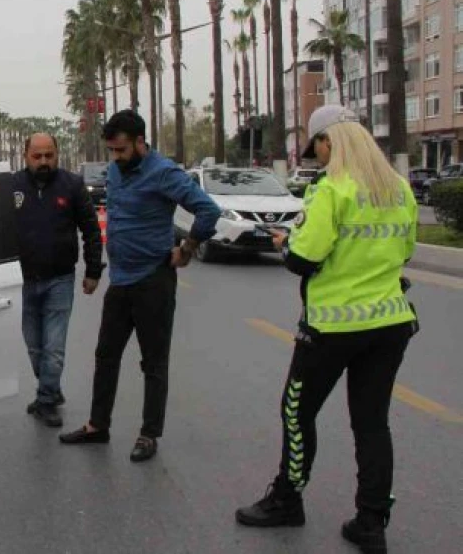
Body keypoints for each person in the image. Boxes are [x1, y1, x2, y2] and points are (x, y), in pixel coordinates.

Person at [235, 106, 419, 554]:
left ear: (328, 142)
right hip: (391, 324)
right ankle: (371, 522)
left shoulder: (330, 190)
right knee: (372, 423)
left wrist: (288, 243)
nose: (315, 156)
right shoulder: (398, 189)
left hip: (332, 328)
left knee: (296, 412)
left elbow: (304, 259)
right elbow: (406, 252)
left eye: (315, 147)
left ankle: (287, 499)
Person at [59, 109, 220, 462]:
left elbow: (208, 210)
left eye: (121, 150)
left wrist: (188, 248)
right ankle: (97, 426)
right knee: (105, 355)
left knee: (153, 362)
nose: (115, 158)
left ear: (140, 142)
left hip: (154, 281)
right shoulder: (116, 173)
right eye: (111, 151)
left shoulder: (164, 173)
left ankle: (149, 434)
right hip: (121, 281)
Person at [0, 132, 103, 427]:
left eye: (49, 155)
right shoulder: (12, 187)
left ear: (57, 154)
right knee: (35, 347)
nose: (44, 161)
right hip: (22, 281)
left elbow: (91, 230)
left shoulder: (72, 185)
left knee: (54, 348)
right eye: (37, 156)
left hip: (60, 280)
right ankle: (52, 390)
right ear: (25, 155)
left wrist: (94, 270)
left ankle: (45, 400)